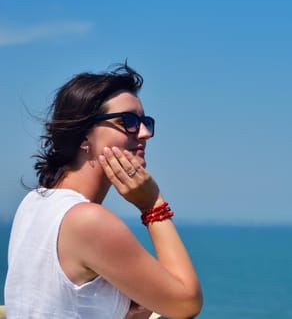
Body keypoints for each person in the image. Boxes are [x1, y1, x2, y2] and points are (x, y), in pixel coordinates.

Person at [4, 64, 203, 318]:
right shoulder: (87, 219)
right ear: (84, 134)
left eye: (145, 122)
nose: (144, 133)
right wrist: (153, 204)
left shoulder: (34, 203)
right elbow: (187, 303)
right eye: (128, 122)